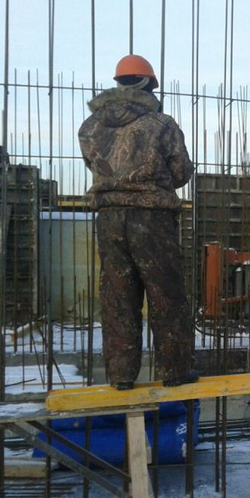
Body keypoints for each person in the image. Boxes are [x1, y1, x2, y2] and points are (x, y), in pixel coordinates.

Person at [79, 54, 198, 390]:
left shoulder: (91, 127)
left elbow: (95, 166)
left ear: (118, 83)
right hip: (151, 217)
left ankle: (121, 375)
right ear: (148, 85)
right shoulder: (161, 124)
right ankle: (175, 370)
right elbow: (180, 172)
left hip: (109, 218)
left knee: (118, 296)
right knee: (165, 293)